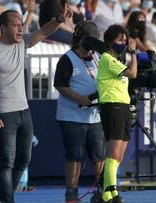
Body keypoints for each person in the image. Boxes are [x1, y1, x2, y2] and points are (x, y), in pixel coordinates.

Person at [0, 6, 73, 203]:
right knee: (7, 162)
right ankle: (7, 199)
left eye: (21, 25)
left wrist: (60, 19)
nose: (20, 29)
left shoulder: (22, 43)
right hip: (3, 114)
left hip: (24, 112)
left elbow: (44, 31)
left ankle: (4, 198)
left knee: (24, 160)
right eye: (15, 25)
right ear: (2, 28)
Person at [53, 21, 105, 203]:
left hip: (95, 116)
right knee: (75, 155)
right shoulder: (68, 58)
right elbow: (59, 85)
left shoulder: (98, 57)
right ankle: (71, 193)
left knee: (99, 156)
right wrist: (79, 98)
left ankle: (102, 191)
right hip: (72, 116)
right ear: (79, 39)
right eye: (88, 40)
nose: (91, 44)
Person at [96, 24, 137, 203]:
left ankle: (108, 192)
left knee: (119, 156)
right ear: (109, 40)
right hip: (112, 107)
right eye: (120, 40)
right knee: (112, 155)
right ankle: (112, 194)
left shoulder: (118, 60)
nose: (123, 43)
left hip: (124, 107)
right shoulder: (106, 58)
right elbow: (133, 73)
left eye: (124, 40)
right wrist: (134, 53)